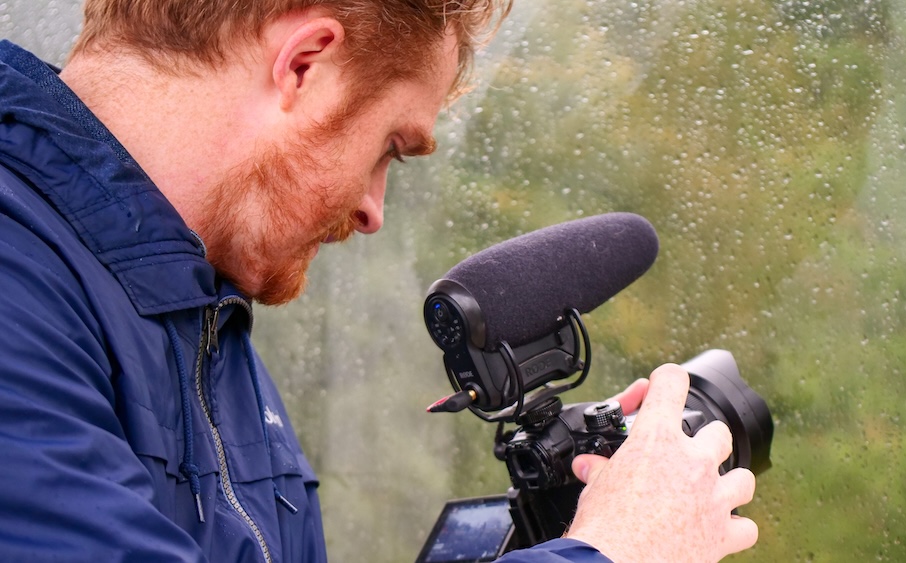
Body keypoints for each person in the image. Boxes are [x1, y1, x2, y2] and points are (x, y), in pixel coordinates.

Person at [0, 1, 759, 561]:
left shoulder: (209, 335)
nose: (372, 211)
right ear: (304, 63)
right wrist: (617, 551)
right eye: (390, 147)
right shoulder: (19, 279)